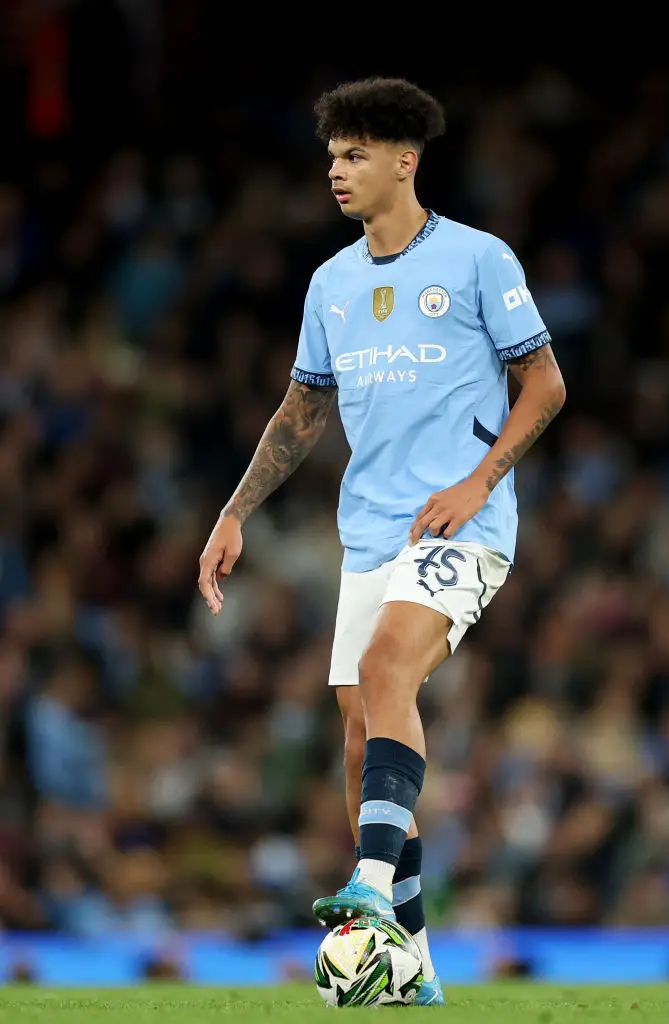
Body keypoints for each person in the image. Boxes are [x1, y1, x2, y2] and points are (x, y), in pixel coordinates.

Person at [198, 77, 566, 1006]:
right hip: (368, 532)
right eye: (331, 156)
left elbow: (548, 384)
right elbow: (301, 411)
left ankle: (369, 890)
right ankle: (415, 967)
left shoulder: (479, 260)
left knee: (390, 669)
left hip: (462, 522)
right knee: (363, 745)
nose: (336, 171)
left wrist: (479, 481)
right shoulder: (331, 283)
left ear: (406, 161)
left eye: (355, 154)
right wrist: (235, 510)